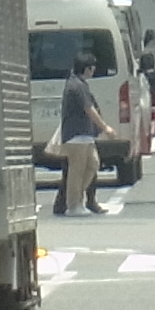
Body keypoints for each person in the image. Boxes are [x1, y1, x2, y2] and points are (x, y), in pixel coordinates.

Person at [53, 48, 113, 216]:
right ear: (87, 68)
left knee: (93, 164)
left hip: (85, 134)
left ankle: (78, 197)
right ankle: (73, 205)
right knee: (76, 171)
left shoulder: (79, 84)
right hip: (76, 135)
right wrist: (105, 127)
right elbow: (89, 109)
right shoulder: (76, 85)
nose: (94, 70)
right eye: (92, 67)